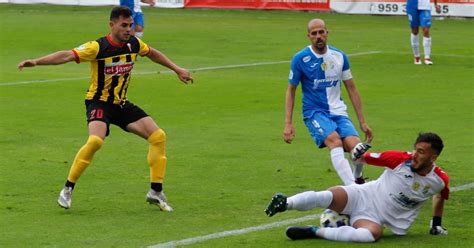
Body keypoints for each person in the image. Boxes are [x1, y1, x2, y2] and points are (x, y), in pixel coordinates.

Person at [17, 6, 193, 211]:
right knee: (95, 141)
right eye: (124, 25)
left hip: (121, 103)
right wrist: (36, 62)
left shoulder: (134, 43)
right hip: (99, 102)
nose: (129, 30)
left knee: (158, 136)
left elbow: (152, 53)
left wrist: (177, 69)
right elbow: (66, 55)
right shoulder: (97, 47)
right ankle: (67, 188)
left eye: (131, 25)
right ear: (112, 25)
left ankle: (155, 191)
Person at [265, 132, 449, 242]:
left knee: (370, 236)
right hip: (363, 195)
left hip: (373, 217)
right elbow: (359, 158)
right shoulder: (400, 159)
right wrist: (358, 169)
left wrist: (436, 224)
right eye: (415, 149)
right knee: (330, 195)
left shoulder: (439, 180)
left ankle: (314, 232)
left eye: (421, 152)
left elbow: (439, 195)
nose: (415, 155)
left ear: (433, 157)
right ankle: (286, 203)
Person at [284, 18, 373, 186]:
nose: (318, 36)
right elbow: (291, 90)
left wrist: (363, 122)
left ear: (327, 33)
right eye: (314, 33)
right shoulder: (300, 59)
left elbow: (352, 88)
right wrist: (288, 123)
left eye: (321, 32)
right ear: (308, 36)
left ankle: (357, 179)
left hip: (338, 111)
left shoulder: (339, 56)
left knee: (358, 149)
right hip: (314, 112)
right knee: (335, 141)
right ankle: (354, 189)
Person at [406, 0, 441, 65]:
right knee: (415, 30)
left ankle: (427, 57)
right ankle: (417, 57)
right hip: (412, 5)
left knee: (426, 29)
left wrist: (436, 5)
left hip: (425, 7)